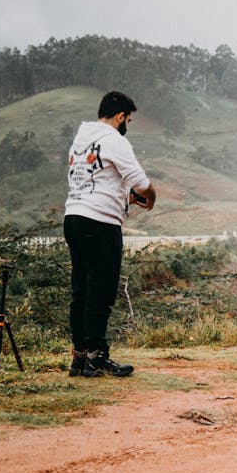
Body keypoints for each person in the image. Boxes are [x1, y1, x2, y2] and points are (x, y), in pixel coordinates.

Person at [63, 91, 156, 377]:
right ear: (120, 117)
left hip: (74, 218)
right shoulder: (115, 140)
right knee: (100, 291)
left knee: (81, 289)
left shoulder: (81, 140)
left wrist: (124, 199)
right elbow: (140, 182)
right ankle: (97, 356)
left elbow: (97, 183)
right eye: (128, 119)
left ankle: (79, 357)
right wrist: (150, 197)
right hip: (101, 224)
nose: (127, 124)